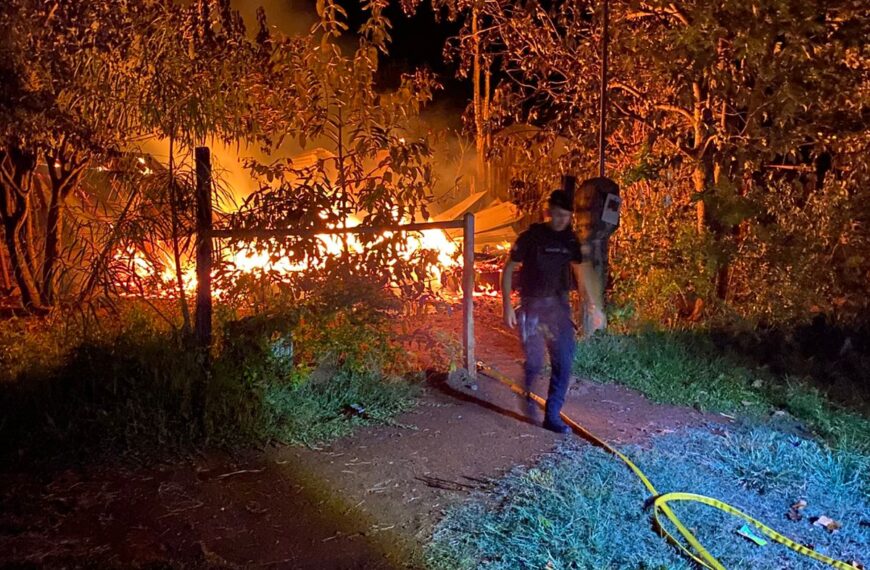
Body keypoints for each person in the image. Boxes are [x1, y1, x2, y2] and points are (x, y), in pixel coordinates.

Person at [501, 189, 606, 433]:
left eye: (565, 215)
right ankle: (527, 394)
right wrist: (507, 304)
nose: (560, 220)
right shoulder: (532, 237)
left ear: (570, 216)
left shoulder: (570, 241)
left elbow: (583, 271)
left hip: (558, 308)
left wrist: (593, 305)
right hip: (532, 307)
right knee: (536, 362)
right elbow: (509, 268)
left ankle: (552, 415)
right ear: (549, 213)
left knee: (564, 360)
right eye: (556, 215)